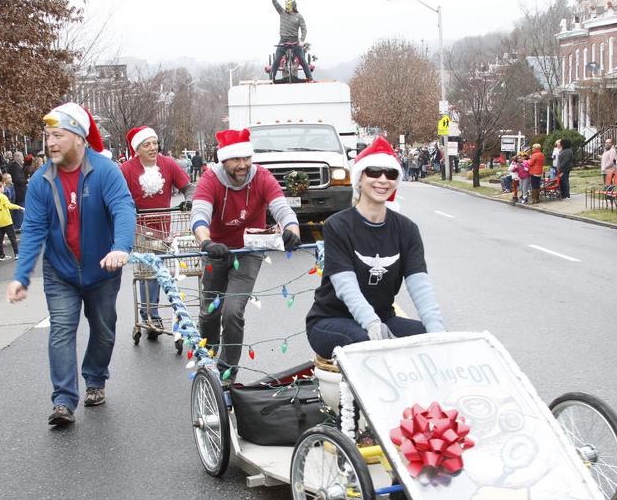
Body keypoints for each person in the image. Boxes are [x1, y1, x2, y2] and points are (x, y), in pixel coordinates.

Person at [7, 102, 136, 426]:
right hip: (60, 272)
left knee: (104, 331)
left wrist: (121, 248)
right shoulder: (41, 181)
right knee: (61, 330)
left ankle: (95, 378)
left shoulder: (106, 172)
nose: (49, 143)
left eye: (58, 136)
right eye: (47, 136)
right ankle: (63, 401)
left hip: (103, 269)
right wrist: (21, 276)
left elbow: (123, 209)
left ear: (79, 138)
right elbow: (34, 228)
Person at [306, 137, 444, 358]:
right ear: (359, 178)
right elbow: (345, 286)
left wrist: (438, 334)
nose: (382, 180)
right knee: (366, 341)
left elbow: (420, 286)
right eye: (374, 172)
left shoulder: (407, 229)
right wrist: (371, 323)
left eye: (390, 174)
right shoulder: (338, 225)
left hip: (384, 317)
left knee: (428, 337)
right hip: (331, 320)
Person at [190, 128, 301, 381]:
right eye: (235, 160)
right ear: (223, 160)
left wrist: (292, 230)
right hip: (216, 250)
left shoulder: (262, 177)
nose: (242, 165)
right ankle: (207, 355)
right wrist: (206, 242)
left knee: (232, 311)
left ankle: (227, 371)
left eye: (246, 159)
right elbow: (199, 214)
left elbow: (282, 209)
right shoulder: (211, 180)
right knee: (210, 310)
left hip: (249, 251)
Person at [120, 125, 196, 332]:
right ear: (137, 149)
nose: (153, 147)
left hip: (164, 229)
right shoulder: (126, 170)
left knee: (162, 272)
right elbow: (118, 196)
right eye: (147, 145)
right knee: (149, 274)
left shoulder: (168, 164)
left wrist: (189, 200)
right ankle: (151, 315)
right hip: (140, 229)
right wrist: (128, 207)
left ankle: (152, 313)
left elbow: (188, 187)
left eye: (154, 143)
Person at [270, 0, 312, 81]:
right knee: (277, 60)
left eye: (288, 5)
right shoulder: (282, 12)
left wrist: (301, 40)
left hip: (295, 42)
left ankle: (309, 77)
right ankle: (272, 78)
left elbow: (304, 29)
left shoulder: (299, 16)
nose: (286, 7)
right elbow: (274, 2)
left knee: (302, 59)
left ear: (293, 5)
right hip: (283, 41)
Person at [7, 151, 27, 231]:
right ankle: (17, 226)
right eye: (21, 156)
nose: (23, 158)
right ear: (17, 157)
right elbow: (17, 179)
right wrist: (26, 181)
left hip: (18, 191)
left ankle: (17, 225)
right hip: (18, 191)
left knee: (17, 209)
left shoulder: (16, 166)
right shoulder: (15, 167)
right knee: (19, 209)